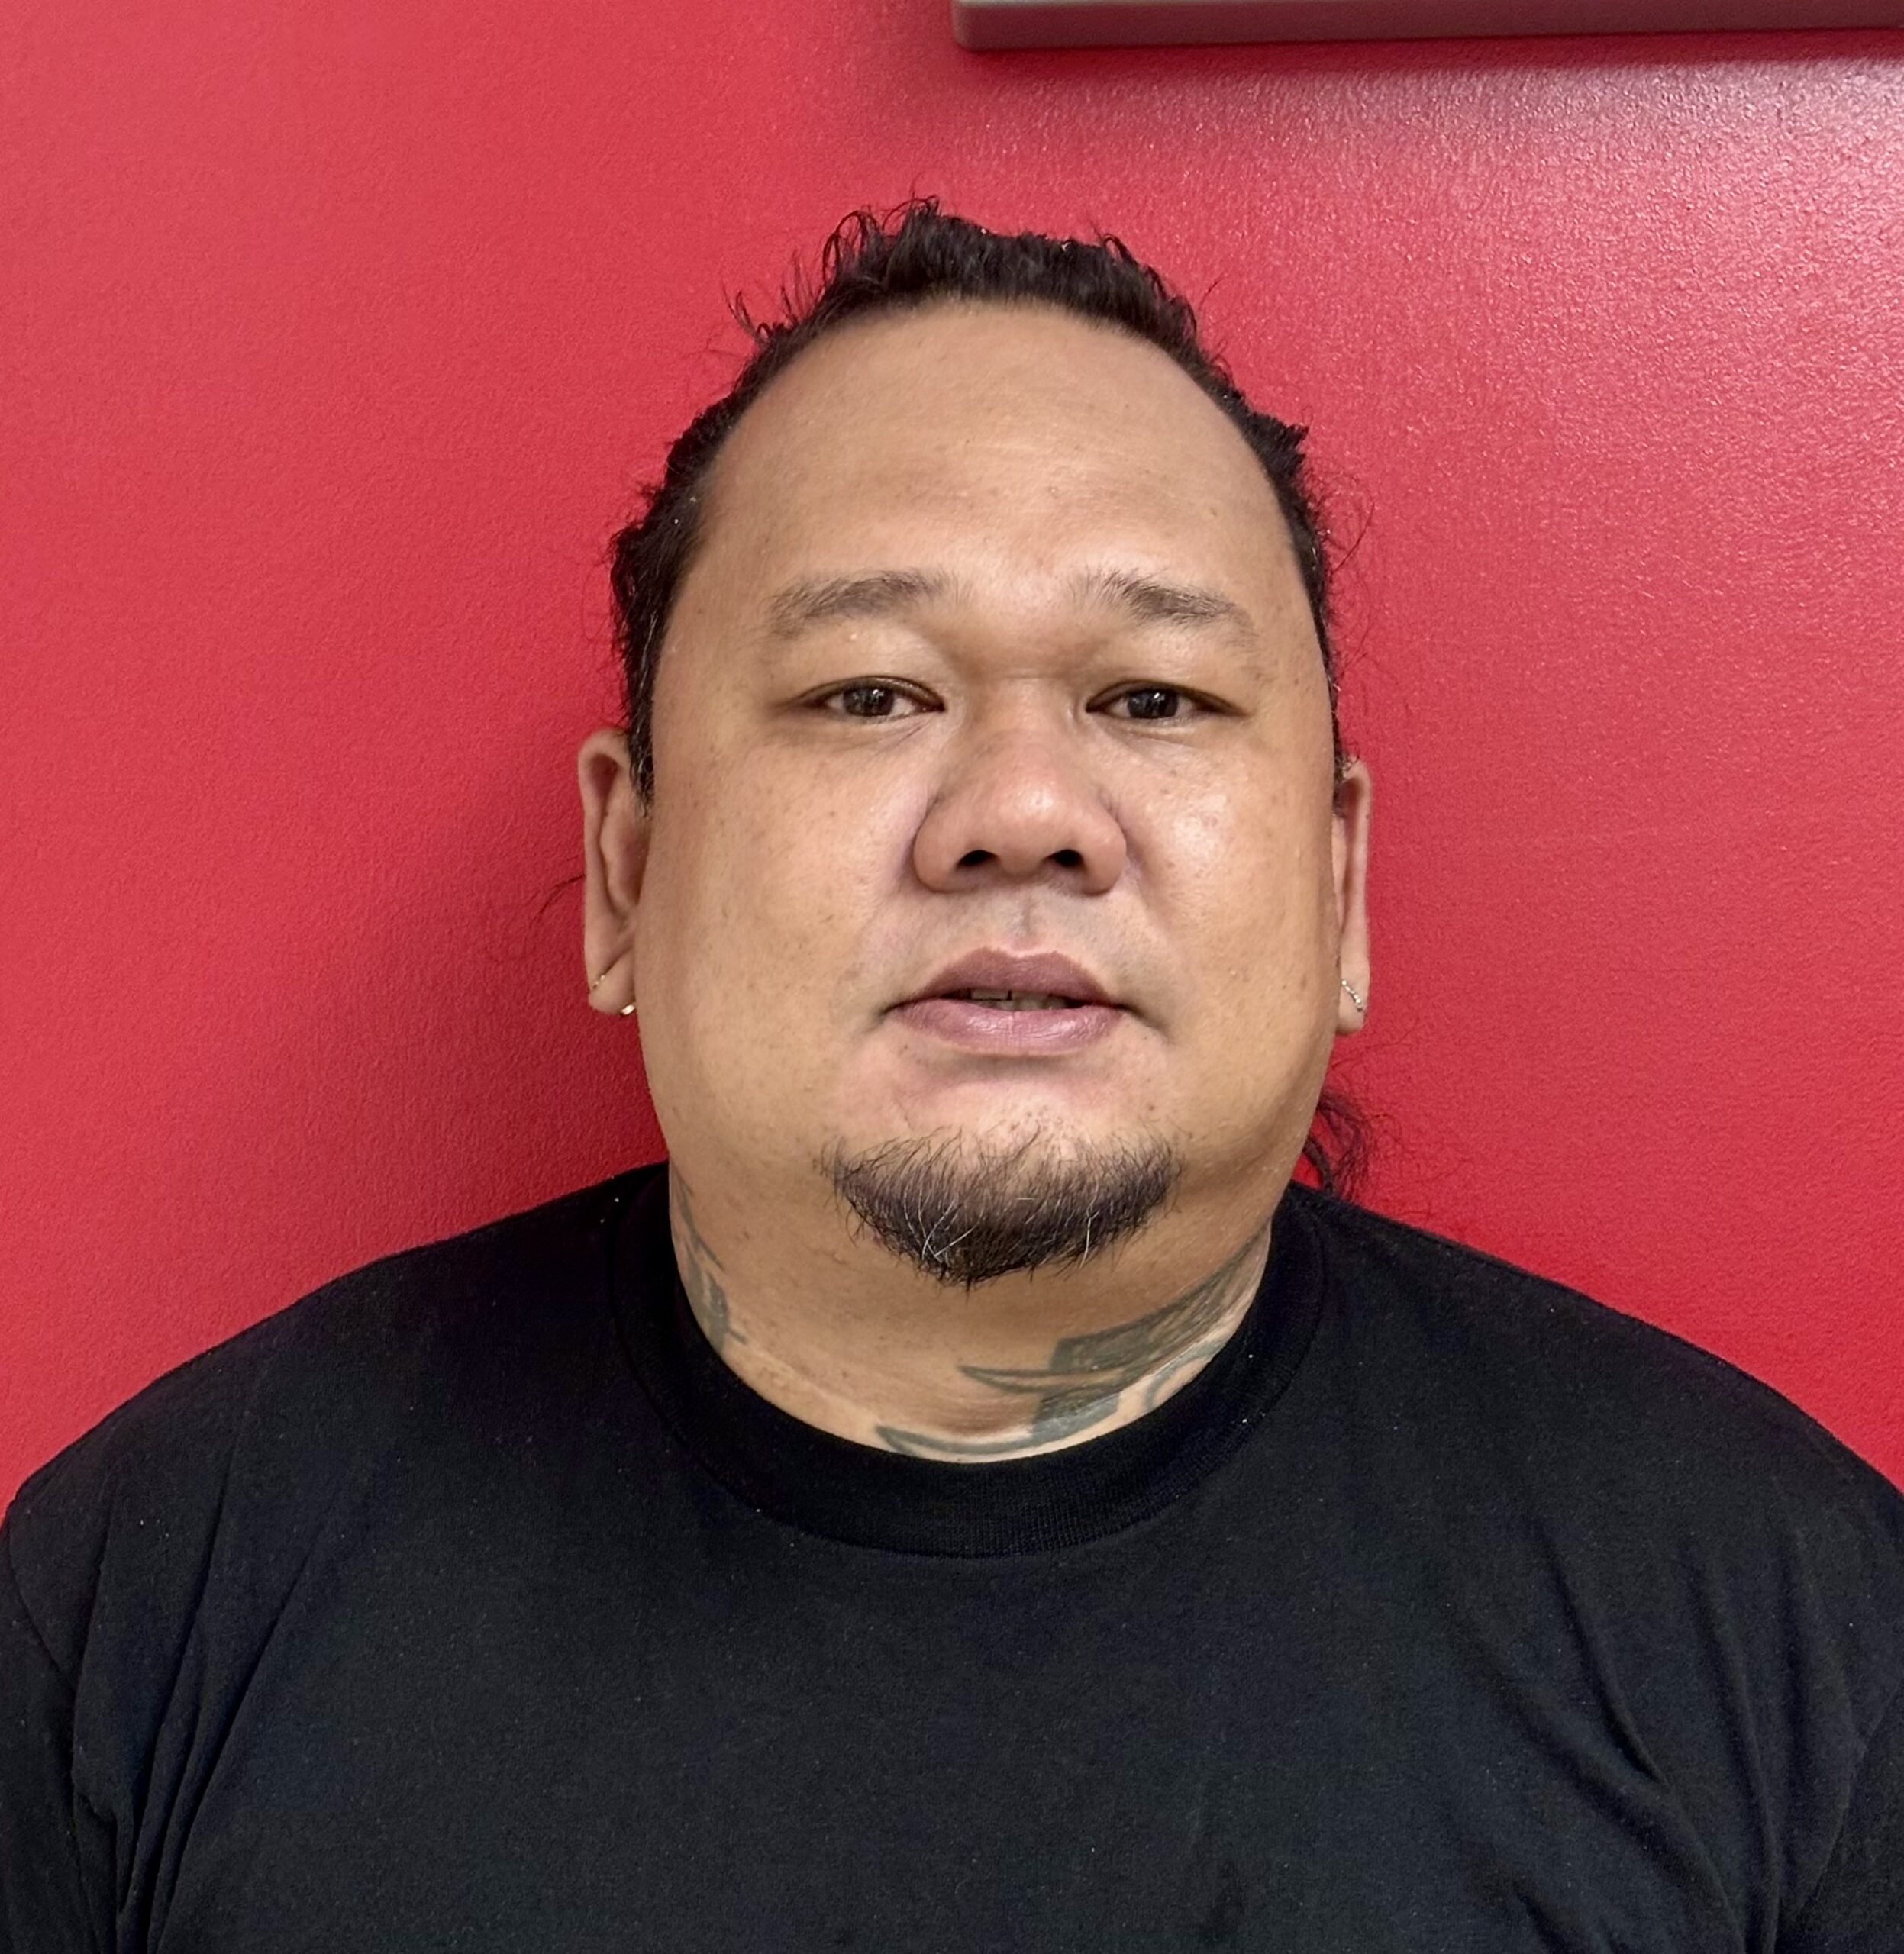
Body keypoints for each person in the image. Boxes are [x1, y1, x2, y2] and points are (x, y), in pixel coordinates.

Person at [3, 202, 1900, 1953]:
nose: (1019, 815)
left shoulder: (1792, 1633)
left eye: (1151, 698)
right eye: (868, 694)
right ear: (625, 870)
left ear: (1336, 886)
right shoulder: (140, 1609)